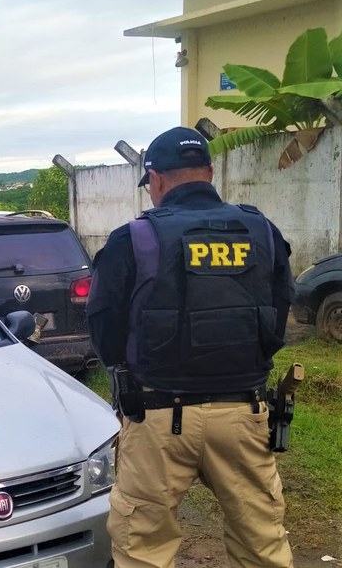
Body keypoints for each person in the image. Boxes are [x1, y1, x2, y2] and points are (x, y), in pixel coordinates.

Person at [85, 126, 295, 568]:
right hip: (243, 414)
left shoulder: (132, 238)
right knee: (262, 544)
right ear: (210, 172)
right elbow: (278, 313)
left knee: (142, 548)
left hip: (157, 416)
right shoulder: (261, 230)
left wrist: (126, 375)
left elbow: (104, 323)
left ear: (155, 179)